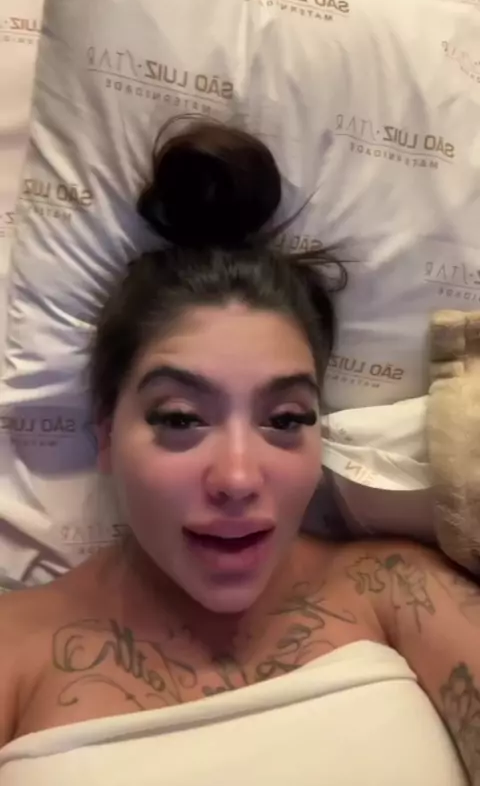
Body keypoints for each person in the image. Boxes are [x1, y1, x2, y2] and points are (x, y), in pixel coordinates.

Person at [0, 121, 478, 786]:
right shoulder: (13, 648)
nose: (237, 477)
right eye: (180, 419)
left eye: (284, 419)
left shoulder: (398, 590)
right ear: (106, 434)